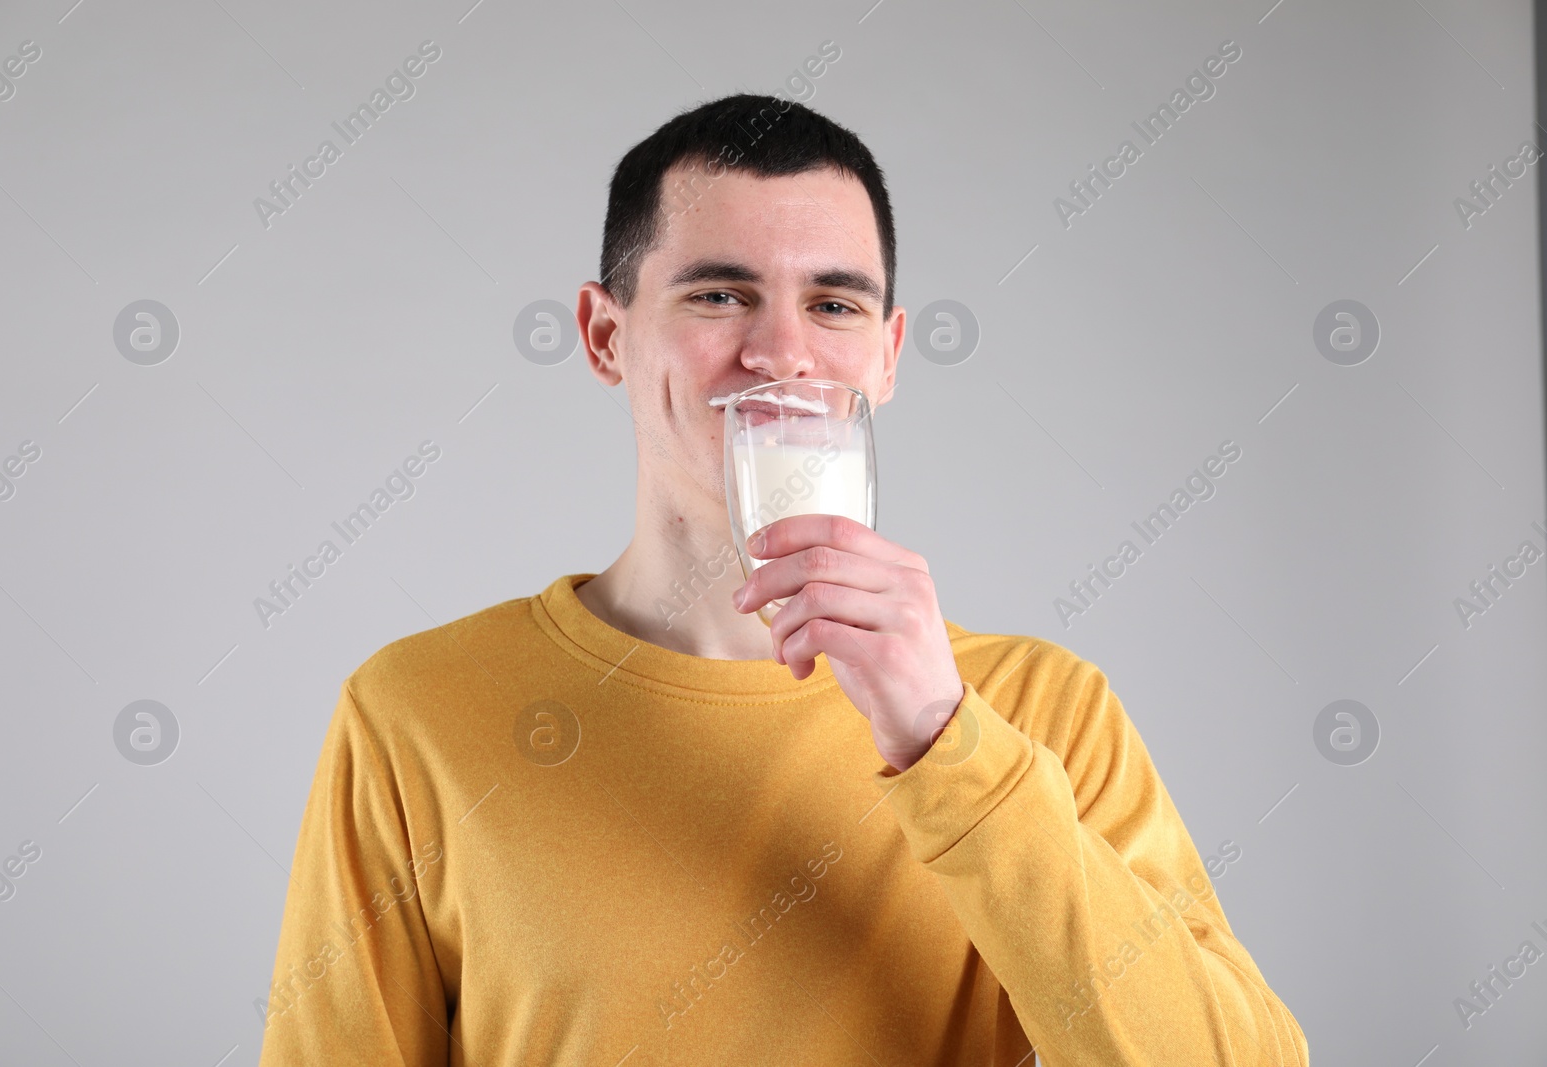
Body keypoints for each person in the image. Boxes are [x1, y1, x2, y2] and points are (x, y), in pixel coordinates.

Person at [256, 93, 1309, 1066]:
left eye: (835, 305)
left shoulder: (1042, 710)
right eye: (720, 293)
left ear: (887, 356)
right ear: (604, 334)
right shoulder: (415, 710)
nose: (784, 353)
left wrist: (946, 739)